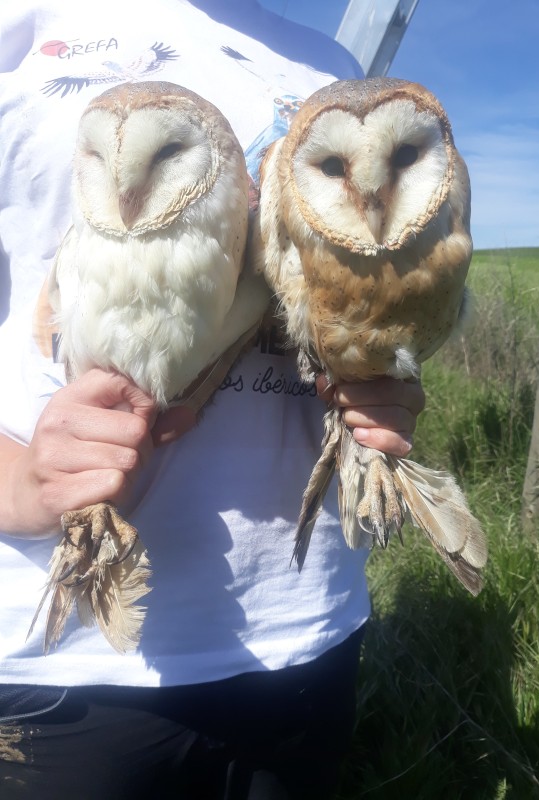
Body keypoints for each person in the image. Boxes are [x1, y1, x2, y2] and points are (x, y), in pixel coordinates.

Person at [0, 1, 425, 797]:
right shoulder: (20, 28)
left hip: (307, 628)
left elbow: (331, 306)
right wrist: (15, 484)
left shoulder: (326, 63)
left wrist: (380, 386)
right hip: (74, 649)